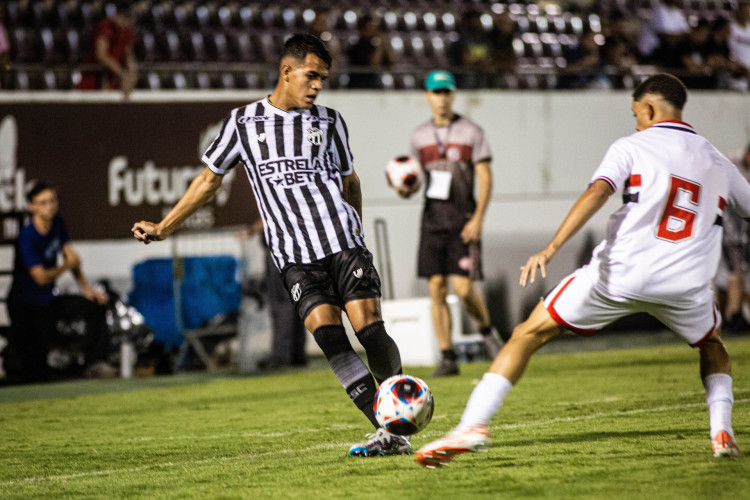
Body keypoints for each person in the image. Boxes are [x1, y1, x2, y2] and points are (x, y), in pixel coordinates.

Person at [414, 74, 744, 467]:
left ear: (650, 109)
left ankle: (473, 425)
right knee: (712, 345)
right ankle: (721, 430)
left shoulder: (632, 146)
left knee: (527, 334)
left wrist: (551, 248)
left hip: (621, 274)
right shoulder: (718, 159)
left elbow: (598, 192)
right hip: (687, 283)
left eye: (636, 113)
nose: (636, 121)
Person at [132, 34, 407, 457]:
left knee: (369, 329)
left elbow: (350, 181)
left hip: (342, 241)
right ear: (286, 71)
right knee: (331, 340)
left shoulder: (330, 121)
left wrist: (358, 234)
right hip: (293, 256)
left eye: (323, 79)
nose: (317, 86)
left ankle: (401, 410)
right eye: (311, 76)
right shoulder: (243, 123)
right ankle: (390, 429)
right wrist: (165, 227)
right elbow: (208, 180)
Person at [396, 70, 501, 377]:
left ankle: (486, 332)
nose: (441, 98)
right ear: (427, 97)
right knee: (437, 288)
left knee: (465, 288)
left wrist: (479, 217)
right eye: (435, 93)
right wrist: (405, 189)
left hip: (463, 219)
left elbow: (485, 177)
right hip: (431, 221)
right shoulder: (419, 136)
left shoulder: (471, 131)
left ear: (453, 95)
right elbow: (414, 183)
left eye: (445, 92)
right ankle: (448, 356)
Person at [7, 182, 109, 383]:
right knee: (35, 371)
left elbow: (71, 256)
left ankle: (95, 364)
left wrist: (85, 288)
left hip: (48, 302)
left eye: (52, 201)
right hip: (25, 307)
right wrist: (65, 266)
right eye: (42, 203)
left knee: (93, 306)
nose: (49, 206)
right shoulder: (27, 236)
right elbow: (40, 277)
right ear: (32, 207)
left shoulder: (58, 223)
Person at [716, 141, 750, 332]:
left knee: (731, 275)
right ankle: (732, 316)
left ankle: (731, 316)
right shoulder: (731, 166)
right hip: (724, 231)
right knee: (732, 273)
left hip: (739, 233)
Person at [78, 2, 138, 97]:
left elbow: (128, 54)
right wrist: (122, 73)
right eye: (122, 18)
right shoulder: (105, 26)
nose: (124, 23)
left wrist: (132, 73)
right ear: (116, 15)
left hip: (112, 78)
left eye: (128, 20)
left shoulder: (127, 30)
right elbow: (101, 55)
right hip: (94, 77)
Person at [346, 14, 395, 89]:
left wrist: (386, 44)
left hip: (374, 84)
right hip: (358, 86)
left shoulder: (374, 46)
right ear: (362, 30)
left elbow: (392, 62)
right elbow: (373, 64)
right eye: (369, 28)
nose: (373, 31)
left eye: (375, 28)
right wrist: (380, 46)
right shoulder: (356, 47)